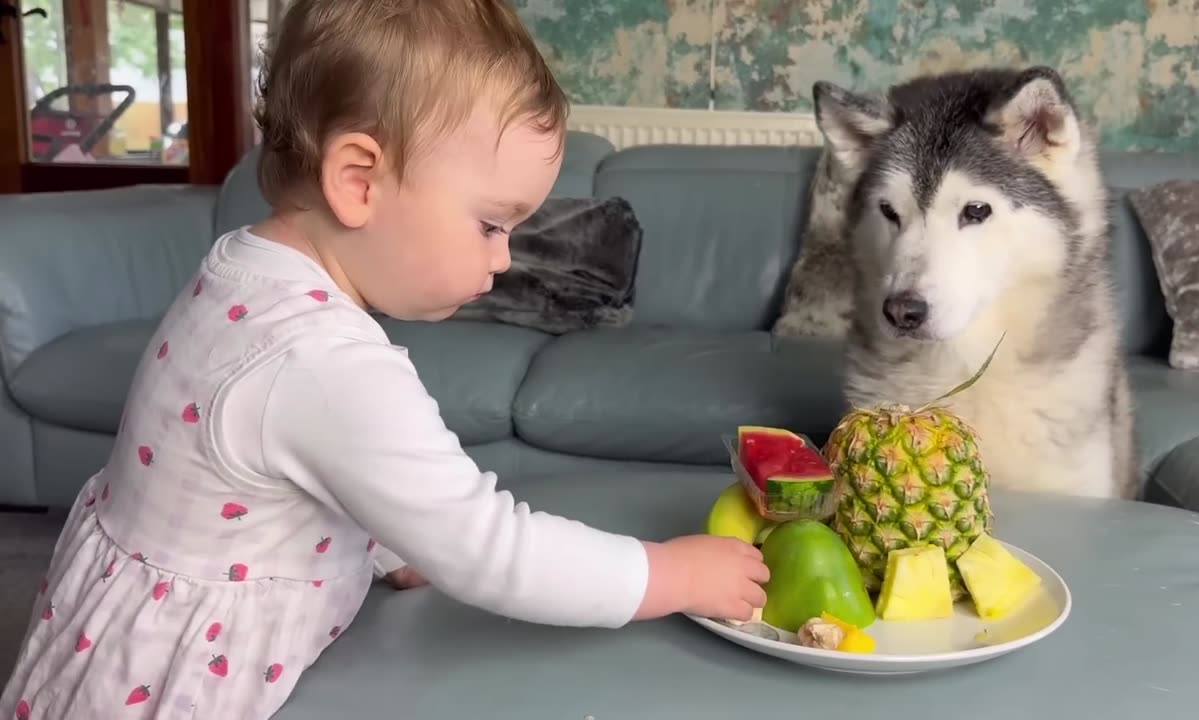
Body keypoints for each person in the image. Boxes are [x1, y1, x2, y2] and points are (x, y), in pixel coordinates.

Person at [0, 1, 769, 717]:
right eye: (491, 226)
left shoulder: (241, 267)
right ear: (358, 182)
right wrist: (669, 574)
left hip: (114, 630)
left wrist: (388, 540)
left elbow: (287, 470)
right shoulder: (326, 365)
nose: (503, 261)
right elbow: (490, 549)